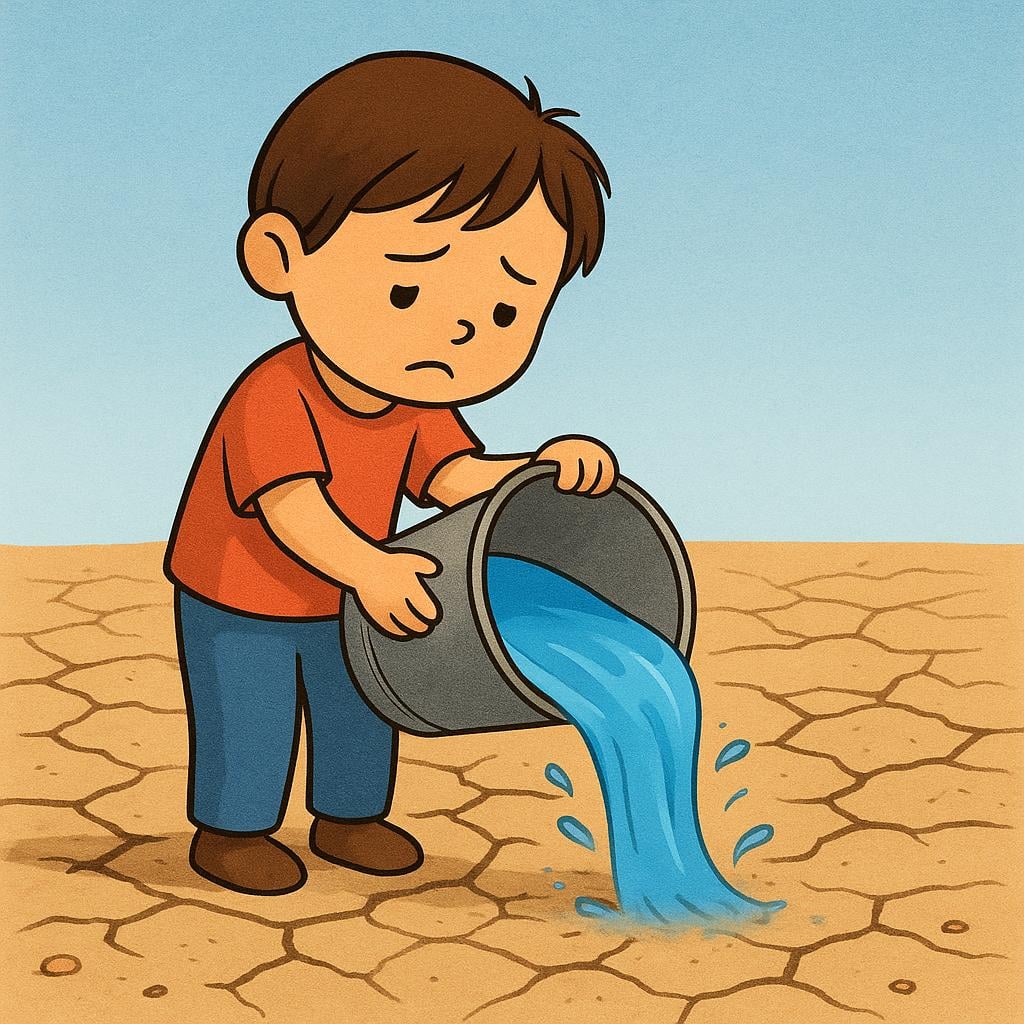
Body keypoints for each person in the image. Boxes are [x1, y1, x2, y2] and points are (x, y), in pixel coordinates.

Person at [164, 51, 618, 895]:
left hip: (356, 591)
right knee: (253, 711)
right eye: (409, 292)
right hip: (242, 595)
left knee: (362, 700)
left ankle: (349, 815)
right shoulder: (276, 393)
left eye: (506, 309)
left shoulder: (414, 400)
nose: (457, 334)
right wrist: (370, 566)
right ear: (279, 258)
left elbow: (453, 475)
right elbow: (289, 507)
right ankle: (231, 831)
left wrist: (540, 469)